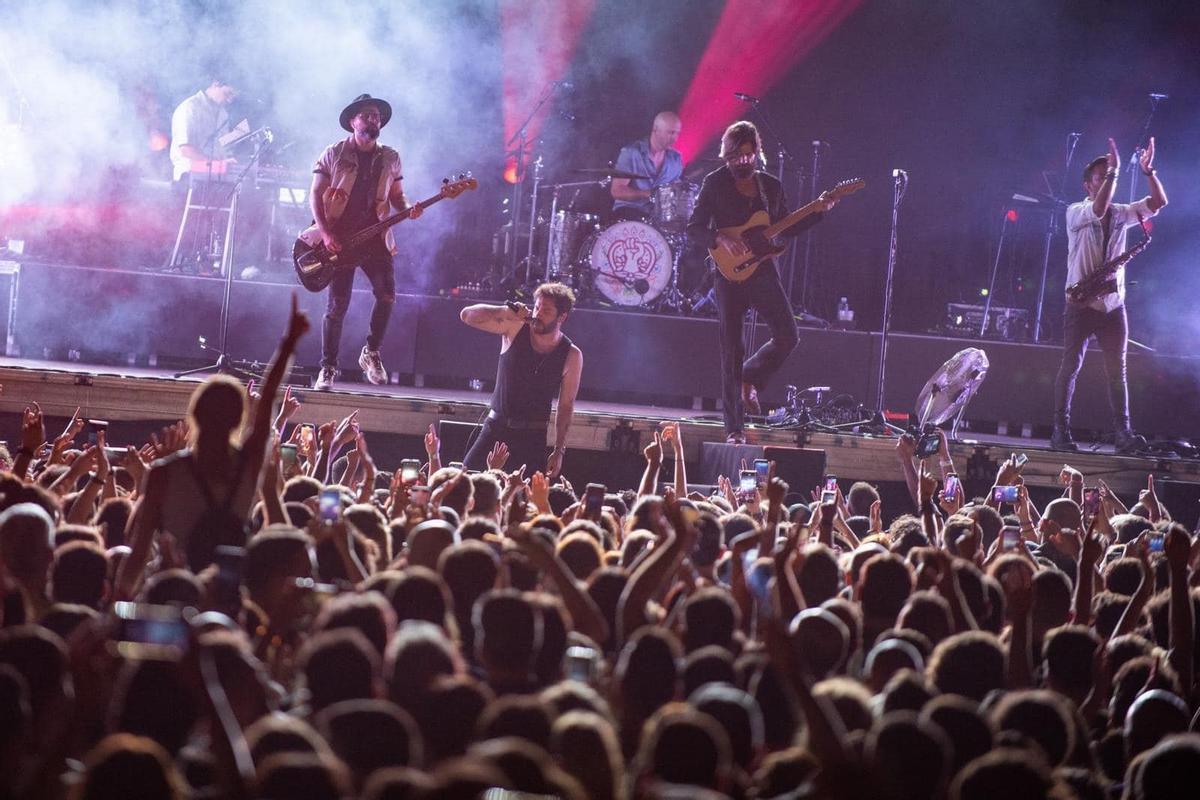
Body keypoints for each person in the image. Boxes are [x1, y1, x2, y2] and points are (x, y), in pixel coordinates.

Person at [686, 120, 838, 443]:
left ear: (756, 151)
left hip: (763, 271)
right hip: (728, 276)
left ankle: (749, 378)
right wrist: (720, 240)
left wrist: (818, 210)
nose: (742, 161)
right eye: (736, 156)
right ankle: (734, 429)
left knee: (788, 334)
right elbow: (694, 228)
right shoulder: (714, 183)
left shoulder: (771, 187)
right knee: (732, 348)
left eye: (747, 155)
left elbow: (785, 228)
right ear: (727, 155)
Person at [1051, 137, 1167, 453]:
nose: (1108, 179)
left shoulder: (1122, 213)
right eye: (1101, 177)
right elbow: (1100, 206)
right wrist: (1115, 171)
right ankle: (1060, 432)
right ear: (1088, 185)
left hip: (1113, 306)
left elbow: (1159, 203)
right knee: (1070, 366)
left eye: (1109, 175)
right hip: (1080, 302)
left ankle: (1122, 433)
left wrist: (1149, 171)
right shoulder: (1076, 211)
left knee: (1118, 371)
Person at [310, 94, 422, 391]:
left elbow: (398, 197)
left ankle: (371, 353)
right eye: (367, 115)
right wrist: (325, 233)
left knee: (386, 295)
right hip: (341, 238)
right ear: (353, 122)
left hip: (375, 237)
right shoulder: (334, 153)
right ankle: (328, 368)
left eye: (376, 116)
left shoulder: (391, 157)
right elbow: (315, 195)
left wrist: (409, 208)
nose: (373, 120)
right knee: (337, 305)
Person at [458, 283, 583, 478]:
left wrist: (559, 450)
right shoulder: (515, 327)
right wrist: (505, 311)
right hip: (496, 429)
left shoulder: (572, 355)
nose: (538, 313)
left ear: (562, 317)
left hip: (532, 438)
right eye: (537, 307)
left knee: (526, 501)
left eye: (547, 310)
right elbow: (466, 315)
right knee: (465, 482)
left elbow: (566, 405)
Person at [609, 111, 684, 221]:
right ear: (655, 129)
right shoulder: (631, 153)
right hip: (628, 212)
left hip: (657, 218)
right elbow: (617, 191)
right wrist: (646, 194)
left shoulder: (675, 158)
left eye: (677, 133)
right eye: (670, 133)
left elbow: (676, 188)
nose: (674, 138)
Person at [168, 77, 239, 183]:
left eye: (233, 97)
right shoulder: (189, 108)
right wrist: (217, 164)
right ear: (216, 83)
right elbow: (186, 150)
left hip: (215, 179)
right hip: (188, 179)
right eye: (228, 94)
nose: (229, 100)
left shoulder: (223, 114)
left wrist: (238, 135)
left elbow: (222, 147)